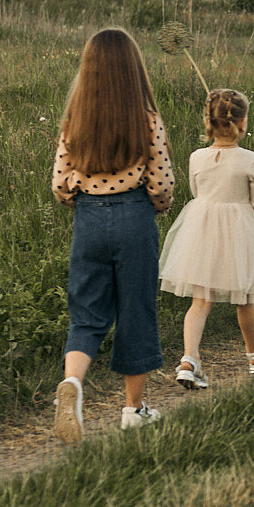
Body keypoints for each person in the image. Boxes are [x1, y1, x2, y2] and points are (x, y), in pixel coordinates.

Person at [51, 27, 174, 443]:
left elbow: (60, 184)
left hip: (88, 219)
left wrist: (82, 200)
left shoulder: (75, 120)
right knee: (135, 310)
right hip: (134, 217)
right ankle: (133, 410)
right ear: (133, 70)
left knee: (87, 312)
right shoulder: (147, 120)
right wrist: (155, 207)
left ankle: (73, 384)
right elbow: (161, 184)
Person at [158, 88, 254, 389]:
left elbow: (199, 195)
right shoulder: (251, 160)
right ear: (243, 122)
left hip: (202, 230)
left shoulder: (197, 157)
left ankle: (189, 359)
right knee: (245, 298)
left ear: (207, 122)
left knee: (201, 300)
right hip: (239, 232)